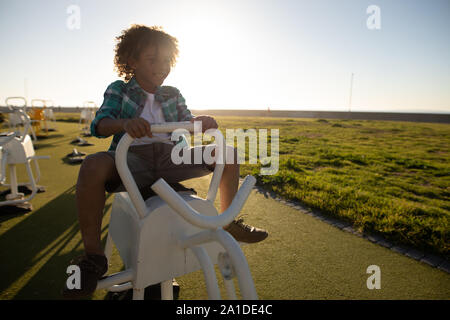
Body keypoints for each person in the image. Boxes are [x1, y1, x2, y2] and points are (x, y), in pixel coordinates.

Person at [62, 24, 268, 298]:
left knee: (227, 153)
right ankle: (93, 258)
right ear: (132, 61)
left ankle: (226, 220)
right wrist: (125, 123)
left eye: (167, 61)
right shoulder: (119, 90)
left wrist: (200, 122)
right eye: (153, 59)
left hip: (172, 157)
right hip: (132, 160)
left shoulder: (172, 93)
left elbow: (187, 121)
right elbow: (99, 125)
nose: (161, 66)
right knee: (92, 165)